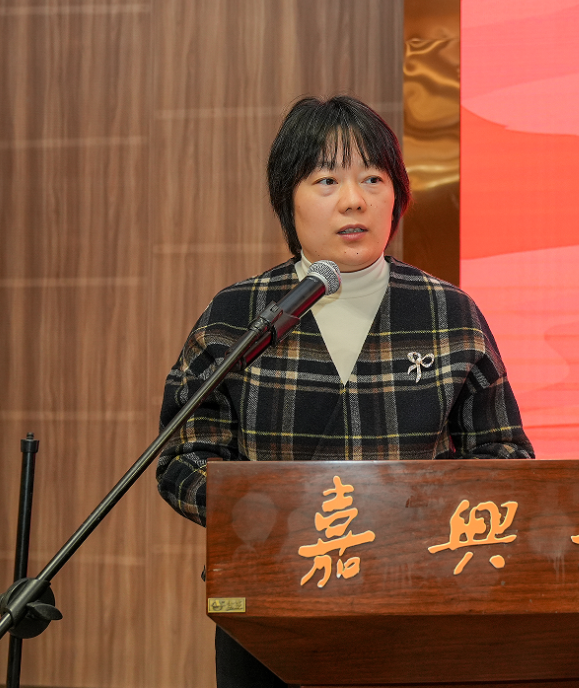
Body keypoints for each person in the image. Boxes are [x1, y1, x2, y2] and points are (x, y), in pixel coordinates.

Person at [155, 95, 534, 687]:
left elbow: (507, 457)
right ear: (288, 199)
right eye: (327, 180)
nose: (353, 199)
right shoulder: (238, 314)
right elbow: (182, 456)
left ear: (397, 196)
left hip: (420, 608)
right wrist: (267, 515)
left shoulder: (448, 312)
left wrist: (424, 523)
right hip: (272, 612)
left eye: (373, 178)